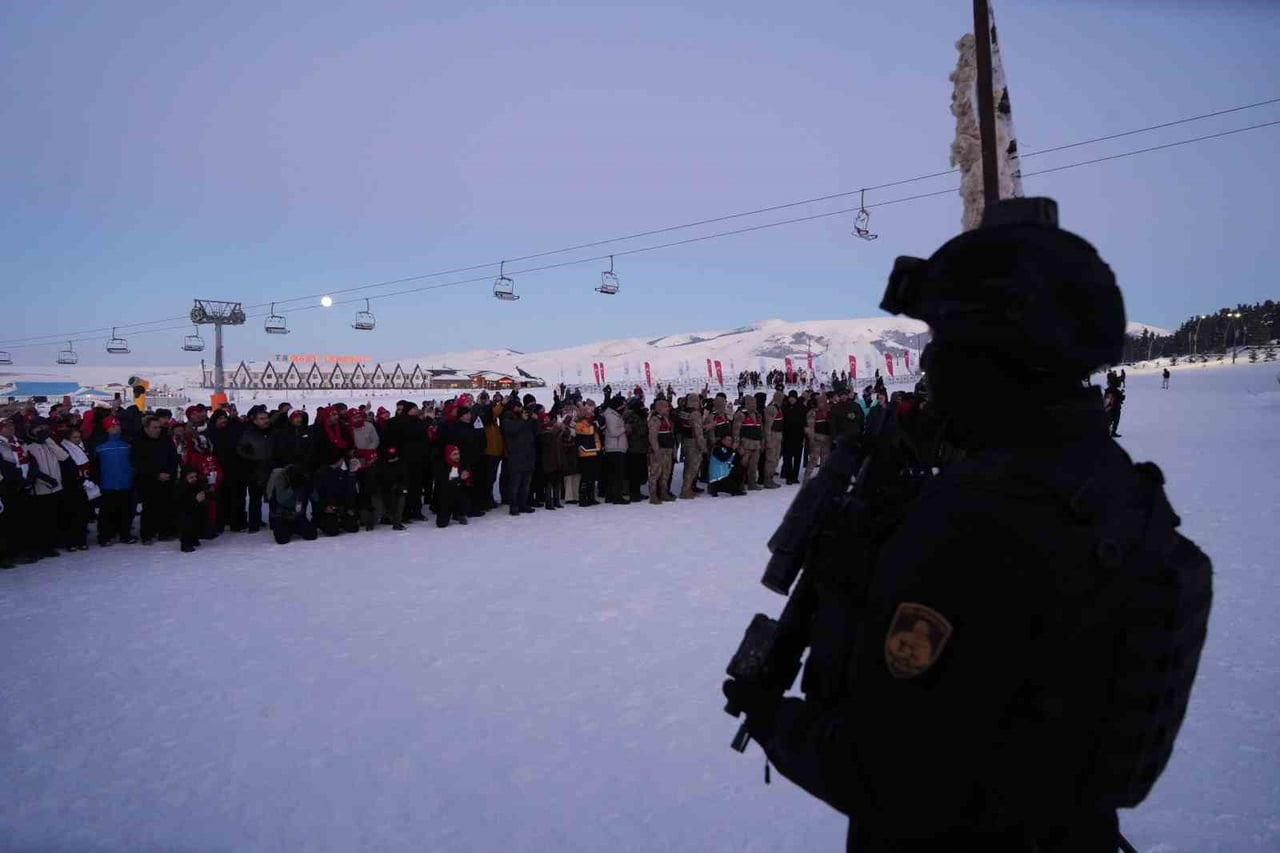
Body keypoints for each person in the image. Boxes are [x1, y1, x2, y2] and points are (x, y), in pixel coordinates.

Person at [724, 197, 1212, 852]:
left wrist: (772, 716)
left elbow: (892, 779)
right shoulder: (1119, 488)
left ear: (991, 356)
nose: (930, 366)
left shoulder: (972, 528)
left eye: (945, 343)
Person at [131, 415, 180, 544]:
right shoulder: (139, 441)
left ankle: (164, 532)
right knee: (149, 508)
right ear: (146, 428)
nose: (158, 430)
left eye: (159, 427)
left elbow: (173, 457)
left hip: (167, 477)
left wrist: (169, 473)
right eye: (154, 427)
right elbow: (137, 462)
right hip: (148, 479)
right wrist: (156, 474)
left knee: (166, 506)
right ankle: (147, 534)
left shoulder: (165, 439)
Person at [93, 415, 137, 546]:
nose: (116, 428)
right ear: (107, 428)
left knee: (126, 511)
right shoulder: (99, 446)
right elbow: (95, 466)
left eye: (117, 425)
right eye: (113, 426)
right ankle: (104, 536)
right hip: (107, 484)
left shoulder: (127, 444)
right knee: (106, 512)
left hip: (125, 483)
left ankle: (125, 534)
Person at [236, 407, 275, 534]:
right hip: (255, 469)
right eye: (262, 419)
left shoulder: (272, 432)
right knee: (255, 499)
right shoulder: (248, 433)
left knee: (273, 497)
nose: (265, 421)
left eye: (266, 418)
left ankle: (275, 522)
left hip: (271, 468)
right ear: (254, 420)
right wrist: (252, 459)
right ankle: (254, 524)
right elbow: (240, 449)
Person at [500, 396, 537, 515]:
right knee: (515, 483)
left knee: (526, 483)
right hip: (515, 454)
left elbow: (536, 431)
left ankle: (523, 504)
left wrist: (534, 420)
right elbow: (510, 430)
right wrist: (522, 420)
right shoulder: (507, 417)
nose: (520, 408)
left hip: (528, 453)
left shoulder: (525, 418)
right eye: (518, 406)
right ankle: (513, 506)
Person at [265, 464, 317, 544]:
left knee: (312, 534)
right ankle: (286, 528)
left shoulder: (302, 478)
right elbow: (281, 499)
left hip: (296, 514)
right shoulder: (280, 478)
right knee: (282, 539)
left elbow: (315, 498)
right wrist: (292, 488)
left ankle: (292, 527)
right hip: (281, 514)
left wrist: (310, 488)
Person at [646, 397, 676, 504]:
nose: (668, 409)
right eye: (665, 407)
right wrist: (656, 450)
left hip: (668, 449)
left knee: (666, 473)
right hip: (659, 450)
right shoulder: (655, 419)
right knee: (655, 473)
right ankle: (653, 495)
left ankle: (664, 493)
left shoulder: (666, 418)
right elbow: (652, 437)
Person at [732, 395, 765, 491]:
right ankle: (740, 484)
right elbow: (736, 430)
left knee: (753, 466)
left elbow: (761, 429)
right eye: (751, 403)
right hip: (745, 444)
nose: (754, 405)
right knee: (742, 466)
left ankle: (752, 484)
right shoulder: (741, 414)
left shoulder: (757, 414)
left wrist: (762, 442)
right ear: (746, 403)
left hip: (756, 444)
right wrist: (738, 445)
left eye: (755, 403)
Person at [174, 465, 211, 553]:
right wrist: (195, 499)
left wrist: (206, 494)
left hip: (194, 511)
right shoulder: (179, 486)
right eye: (191, 477)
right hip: (181, 513)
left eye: (195, 477)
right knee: (185, 518)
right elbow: (179, 504)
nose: (194, 479)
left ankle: (195, 537)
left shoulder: (196, 484)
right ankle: (185, 543)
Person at [574, 400, 603, 507]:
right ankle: (582, 498)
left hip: (594, 451)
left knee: (592, 477)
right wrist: (594, 422)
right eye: (589, 410)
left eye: (592, 410)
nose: (591, 413)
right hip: (585, 453)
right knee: (585, 478)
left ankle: (591, 497)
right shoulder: (579, 424)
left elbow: (599, 430)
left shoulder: (593, 422)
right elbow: (589, 431)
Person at [677, 393, 705, 499]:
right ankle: (685, 491)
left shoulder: (683, 411)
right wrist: (702, 445)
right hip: (694, 442)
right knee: (693, 468)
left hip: (685, 440)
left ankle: (686, 489)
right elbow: (698, 431)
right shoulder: (695, 413)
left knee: (687, 466)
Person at [602, 396, 629, 504]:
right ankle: (616, 496)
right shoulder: (611, 416)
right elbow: (613, 432)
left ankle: (610, 495)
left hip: (617, 447)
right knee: (617, 474)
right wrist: (625, 428)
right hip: (615, 447)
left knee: (613, 474)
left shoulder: (614, 415)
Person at [803, 393, 833, 482]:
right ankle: (807, 476)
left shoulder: (829, 412)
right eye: (820, 403)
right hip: (817, 439)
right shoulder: (813, 412)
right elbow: (810, 427)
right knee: (814, 459)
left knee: (825, 459)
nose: (822, 404)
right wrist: (811, 439)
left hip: (827, 439)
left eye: (824, 402)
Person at [762, 390, 785, 489]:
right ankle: (767, 479)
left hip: (778, 435)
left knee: (775, 458)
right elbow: (768, 426)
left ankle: (770, 478)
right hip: (772, 435)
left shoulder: (778, 408)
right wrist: (768, 439)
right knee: (771, 459)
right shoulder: (772, 408)